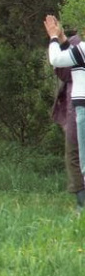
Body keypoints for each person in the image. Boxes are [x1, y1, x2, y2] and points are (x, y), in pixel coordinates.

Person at [45, 15, 85, 213]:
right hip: (77, 105)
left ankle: (82, 204)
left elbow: (59, 64)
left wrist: (53, 37)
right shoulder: (77, 44)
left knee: (76, 155)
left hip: (79, 105)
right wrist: (61, 38)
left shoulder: (81, 46)